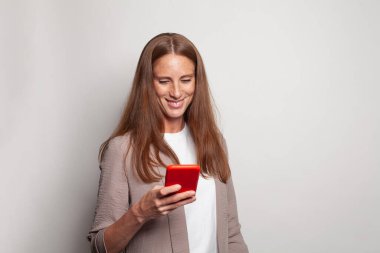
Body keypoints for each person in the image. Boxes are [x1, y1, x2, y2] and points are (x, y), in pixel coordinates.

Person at [87, 32, 249, 253]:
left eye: (186, 80)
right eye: (164, 81)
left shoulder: (214, 142)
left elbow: (231, 232)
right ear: (147, 84)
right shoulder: (123, 150)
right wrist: (141, 212)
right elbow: (100, 248)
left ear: (197, 81)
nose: (176, 92)